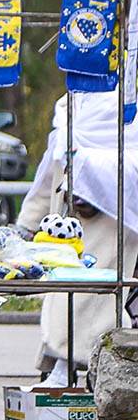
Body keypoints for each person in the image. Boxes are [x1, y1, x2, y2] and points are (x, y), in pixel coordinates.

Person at [17, 90, 138, 379]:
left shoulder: (129, 130)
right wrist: (29, 221)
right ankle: (64, 367)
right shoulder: (69, 120)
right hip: (67, 236)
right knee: (68, 303)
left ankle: (78, 368)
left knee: (100, 307)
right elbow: (50, 174)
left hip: (116, 235)